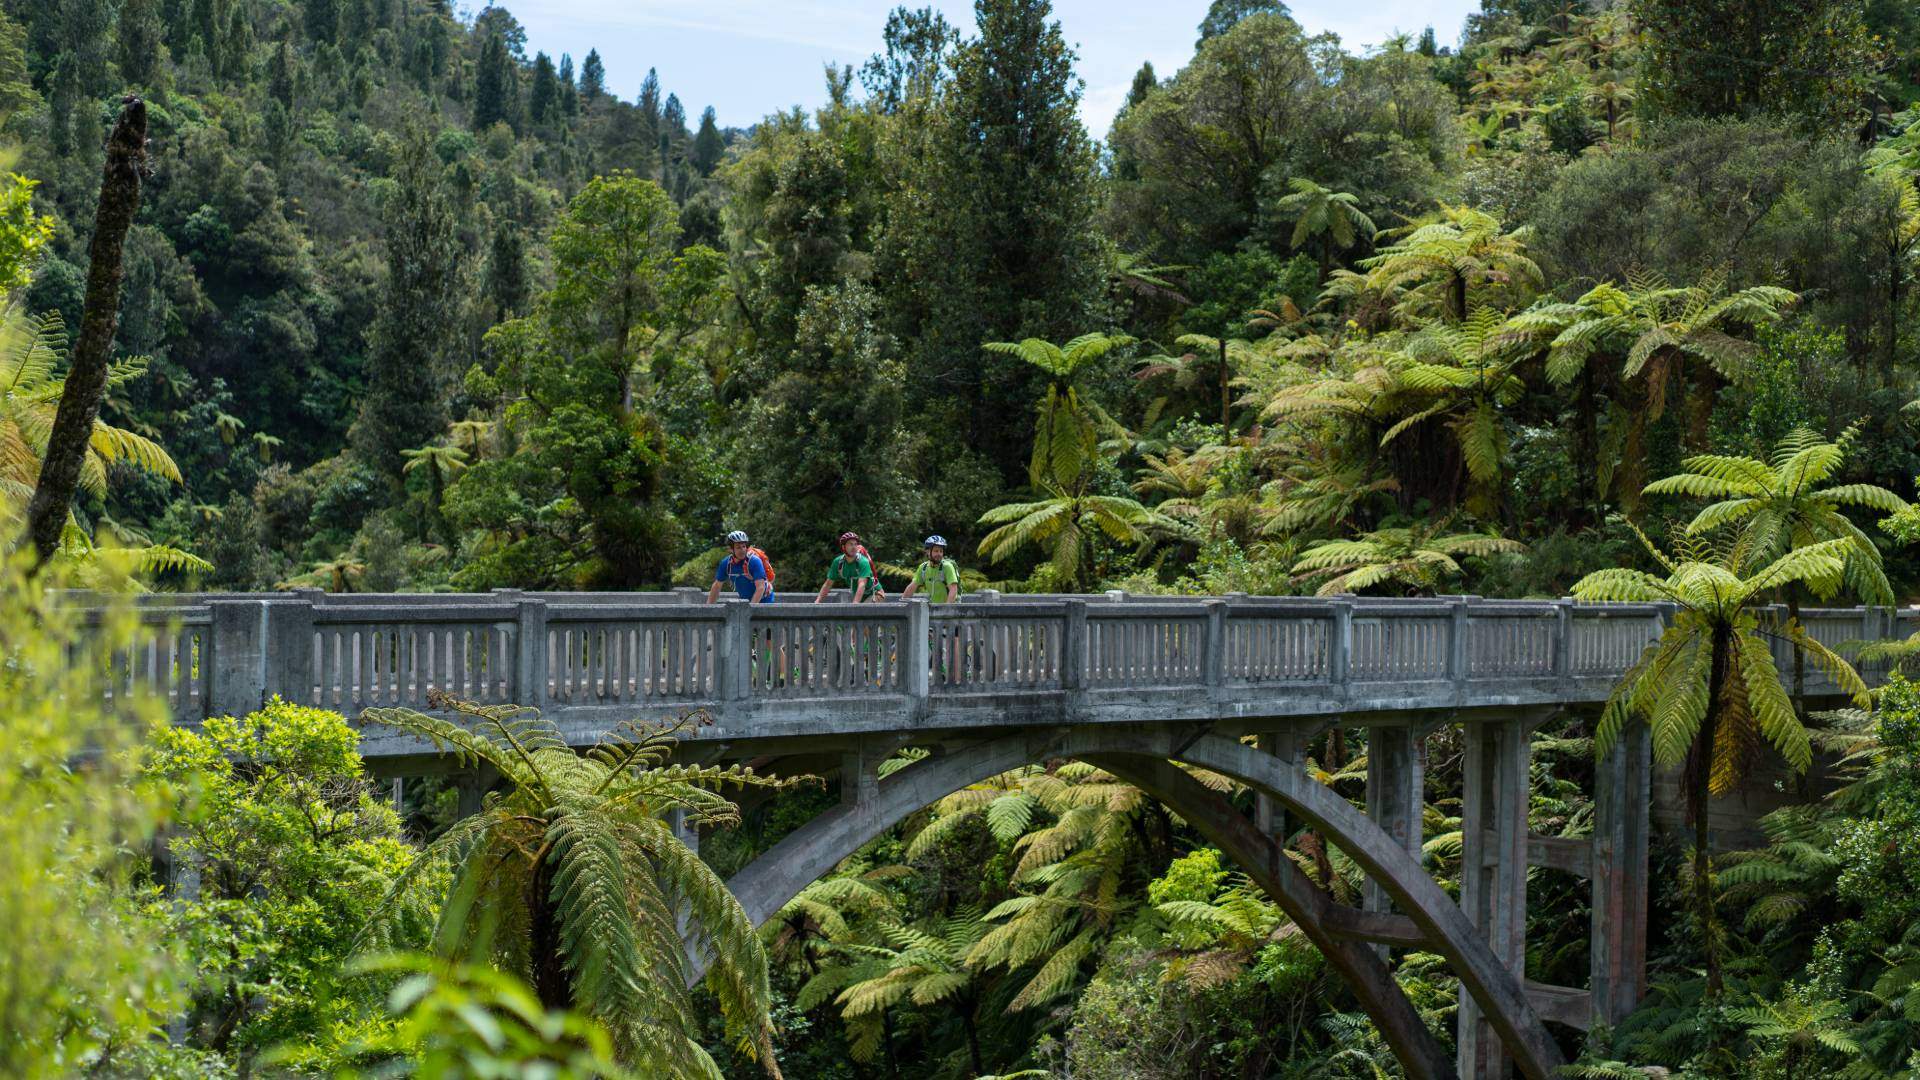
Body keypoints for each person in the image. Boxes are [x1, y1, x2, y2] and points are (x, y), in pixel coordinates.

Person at [815, 531, 884, 603]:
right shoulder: (838, 562)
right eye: (850, 544)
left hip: (875, 594)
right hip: (859, 595)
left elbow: (862, 584)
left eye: (855, 544)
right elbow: (828, 584)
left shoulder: (863, 562)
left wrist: (854, 605)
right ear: (843, 547)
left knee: (859, 612)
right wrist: (817, 602)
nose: (854, 547)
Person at [707, 530, 774, 604]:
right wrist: (709, 607)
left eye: (744, 546)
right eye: (738, 547)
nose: (742, 550)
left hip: (765, 600)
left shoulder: (754, 561)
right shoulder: (726, 563)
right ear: (730, 549)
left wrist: (749, 610)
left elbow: (760, 588)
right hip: (745, 600)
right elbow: (717, 586)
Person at [901, 535, 960, 603]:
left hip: (949, 609)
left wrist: (945, 609)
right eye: (936, 551)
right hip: (933, 609)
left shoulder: (947, 567)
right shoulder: (923, 568)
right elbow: (912, 587)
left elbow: (953, 590)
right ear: (928, 552)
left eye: (941, 551)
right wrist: (902, 604)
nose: (939, 554)